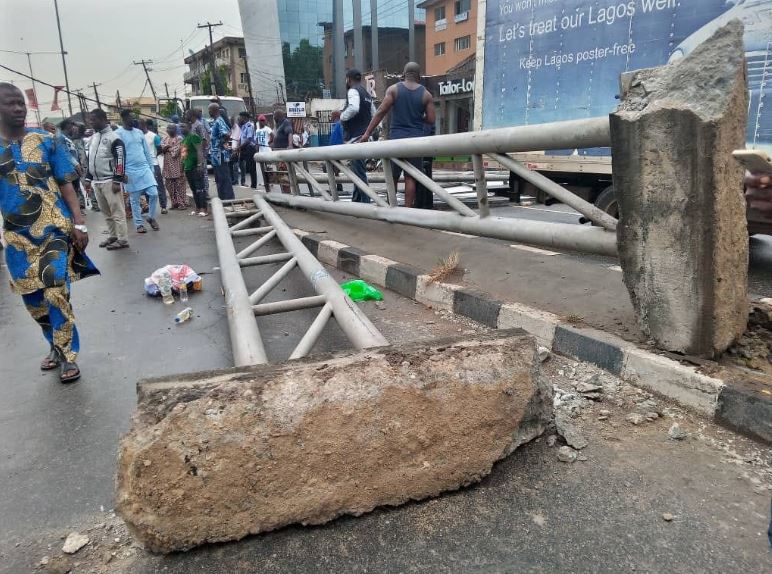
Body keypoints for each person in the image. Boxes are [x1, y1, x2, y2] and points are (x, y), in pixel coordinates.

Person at [0, 83, 99, 383]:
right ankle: (55, 345)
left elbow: (66, 183)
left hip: (54, 229)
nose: (18, 108)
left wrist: (79, 223)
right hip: (17, 238)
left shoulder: (48, 140)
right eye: (10, 103)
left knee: (56, 291)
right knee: (34, 303)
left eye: (21, 103)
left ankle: (69, 355)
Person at [361, 62, 435, 208]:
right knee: (410, 178)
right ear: (418, 77)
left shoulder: (394, 90)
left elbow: (381, 111)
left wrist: (367, 133)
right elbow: (431, 119)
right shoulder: (426, 94)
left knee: (392, 177)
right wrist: (418, 119)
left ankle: (391, 208)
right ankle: (407, 209)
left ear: (403, 75)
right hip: (415, 143)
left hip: (396, 141)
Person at [84, 108, 129, 250]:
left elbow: (120, 160)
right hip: (97, 182)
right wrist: (88, 177)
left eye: (94, 119)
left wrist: (117, 180)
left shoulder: (114, 138)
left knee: (117, 211)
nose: (91, 122)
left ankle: (122, 239)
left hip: (110, 181)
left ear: (103, 120)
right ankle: (113, 235)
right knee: (106, 212)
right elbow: (91, 160)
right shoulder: (94, 138)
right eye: (90, 120)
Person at [116, 109, 160, 233]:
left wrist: (151, 168)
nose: (133, 119)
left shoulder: (139, 132)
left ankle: (151, 217)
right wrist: (121, 173)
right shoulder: (118, 134)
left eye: (134, 117)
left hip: (144, 168)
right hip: (130, 170)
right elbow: (117, 155)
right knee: (134, 200)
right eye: (131, 117)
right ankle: (139, 224)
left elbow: (146, 151)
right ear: (123, 119)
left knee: (154, 193)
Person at [340, 68, 376, 202]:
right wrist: (370, 132)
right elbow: (374, 114)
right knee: (357, 170)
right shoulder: (367, 94)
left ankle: (366, 202)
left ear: (348, 79)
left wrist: (342, 116)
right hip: (364, 136)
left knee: (359, 172)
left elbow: (354, 108)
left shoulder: (353, 91)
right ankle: (356, 199)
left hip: (356, 138)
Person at [208, 103, 234, 200]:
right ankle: (222, 198)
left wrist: (220, 144)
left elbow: (226, 134)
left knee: (223, 177)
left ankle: (228, 198)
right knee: (219, 178)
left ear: (215, 110)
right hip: (215, 155)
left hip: (220, 155)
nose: (209, 112)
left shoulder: (219, 121)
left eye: (210, 110)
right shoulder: (215, 121)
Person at [180, 121, 207, 217]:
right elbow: (183, 156)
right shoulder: (183, 140)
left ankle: (203, 208)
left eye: (183, 126)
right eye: (180, 127)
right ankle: (197, 208)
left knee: (200, 188)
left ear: (189, 126)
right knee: (194, 189)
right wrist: (182, 168)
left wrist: (200, 165)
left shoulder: (194, 137)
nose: (181, 128)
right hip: (188, 168)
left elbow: (199, 151)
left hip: (196, 166)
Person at [141, 119, 168, 214]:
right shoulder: (138, 136)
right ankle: (149, 206)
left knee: (159, 186)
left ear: (144, 125)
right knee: (146, 187)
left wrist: (153, 156)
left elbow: (159, 149)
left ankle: (163, 206)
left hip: (154, 164)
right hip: (143, 166)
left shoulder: (154, 136)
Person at [160, 124, 187, 209]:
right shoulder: (165, 138)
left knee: (179, 185)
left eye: (171, 128)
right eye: (168, 128)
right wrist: (167, 148)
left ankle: (181, 203)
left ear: (175, 130)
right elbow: (162, 149)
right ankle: (174, 203)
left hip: (178, 165)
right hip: (167, 166)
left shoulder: (180, 139)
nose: (169, 129)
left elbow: (176, 152)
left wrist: (167, 148)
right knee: (169, 185)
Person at [271, 109, 294, 194]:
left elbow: (290, 133)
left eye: (274, 116)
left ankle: (288, 193)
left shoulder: (285, 123)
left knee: (284, 174)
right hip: (278, 153)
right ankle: (284, 193)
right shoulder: (278, 125)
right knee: (280, 174)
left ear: (278, 116)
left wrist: (290, 145)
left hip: (284, 153)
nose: (273, 118)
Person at [238, 112, 258, 188]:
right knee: (239, 162)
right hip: (243, 148)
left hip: (249, 148)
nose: (239, 119)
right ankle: (242, 181)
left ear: (245, 118)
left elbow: (248, 139)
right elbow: (241, 138)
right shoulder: (243, 126)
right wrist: (239, 146)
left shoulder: (249, 126)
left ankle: (253, 185)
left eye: (240, 117)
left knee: (252, 167)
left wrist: (239, 147)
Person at [326, 110, 344, 193]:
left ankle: (334, 187)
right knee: (334, 169)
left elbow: (343, 136)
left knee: (332, 168)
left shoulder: (340, 124)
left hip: (337, 150)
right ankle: (337, 186)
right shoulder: (336, 124)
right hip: (334, 150)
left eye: (332, 115)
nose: (331, 117)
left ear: (336, 116)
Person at [255, 114, 272, 190]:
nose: (262, 122)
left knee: (268, 166)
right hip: (261, 150)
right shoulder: (257, 130)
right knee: (262, 167)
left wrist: (270, 142)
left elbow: (273, 135)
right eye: (260, 120)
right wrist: (256, 147)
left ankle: (270, 181)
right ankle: (264, 181)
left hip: (266, 149)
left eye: (263, 120)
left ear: (265, 121)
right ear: (258, 121)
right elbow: (256, 140)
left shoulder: (267, 129)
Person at [229, 116, 241, 185]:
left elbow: (239, 139)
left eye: (232, 121)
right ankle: (232, 179)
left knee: (235, 166)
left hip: (235, 149)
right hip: (229, 148)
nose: (231, 123)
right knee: (230, 165)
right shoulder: (230, 128)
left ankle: (236, 180)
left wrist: (236, 149)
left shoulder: (237, 128)